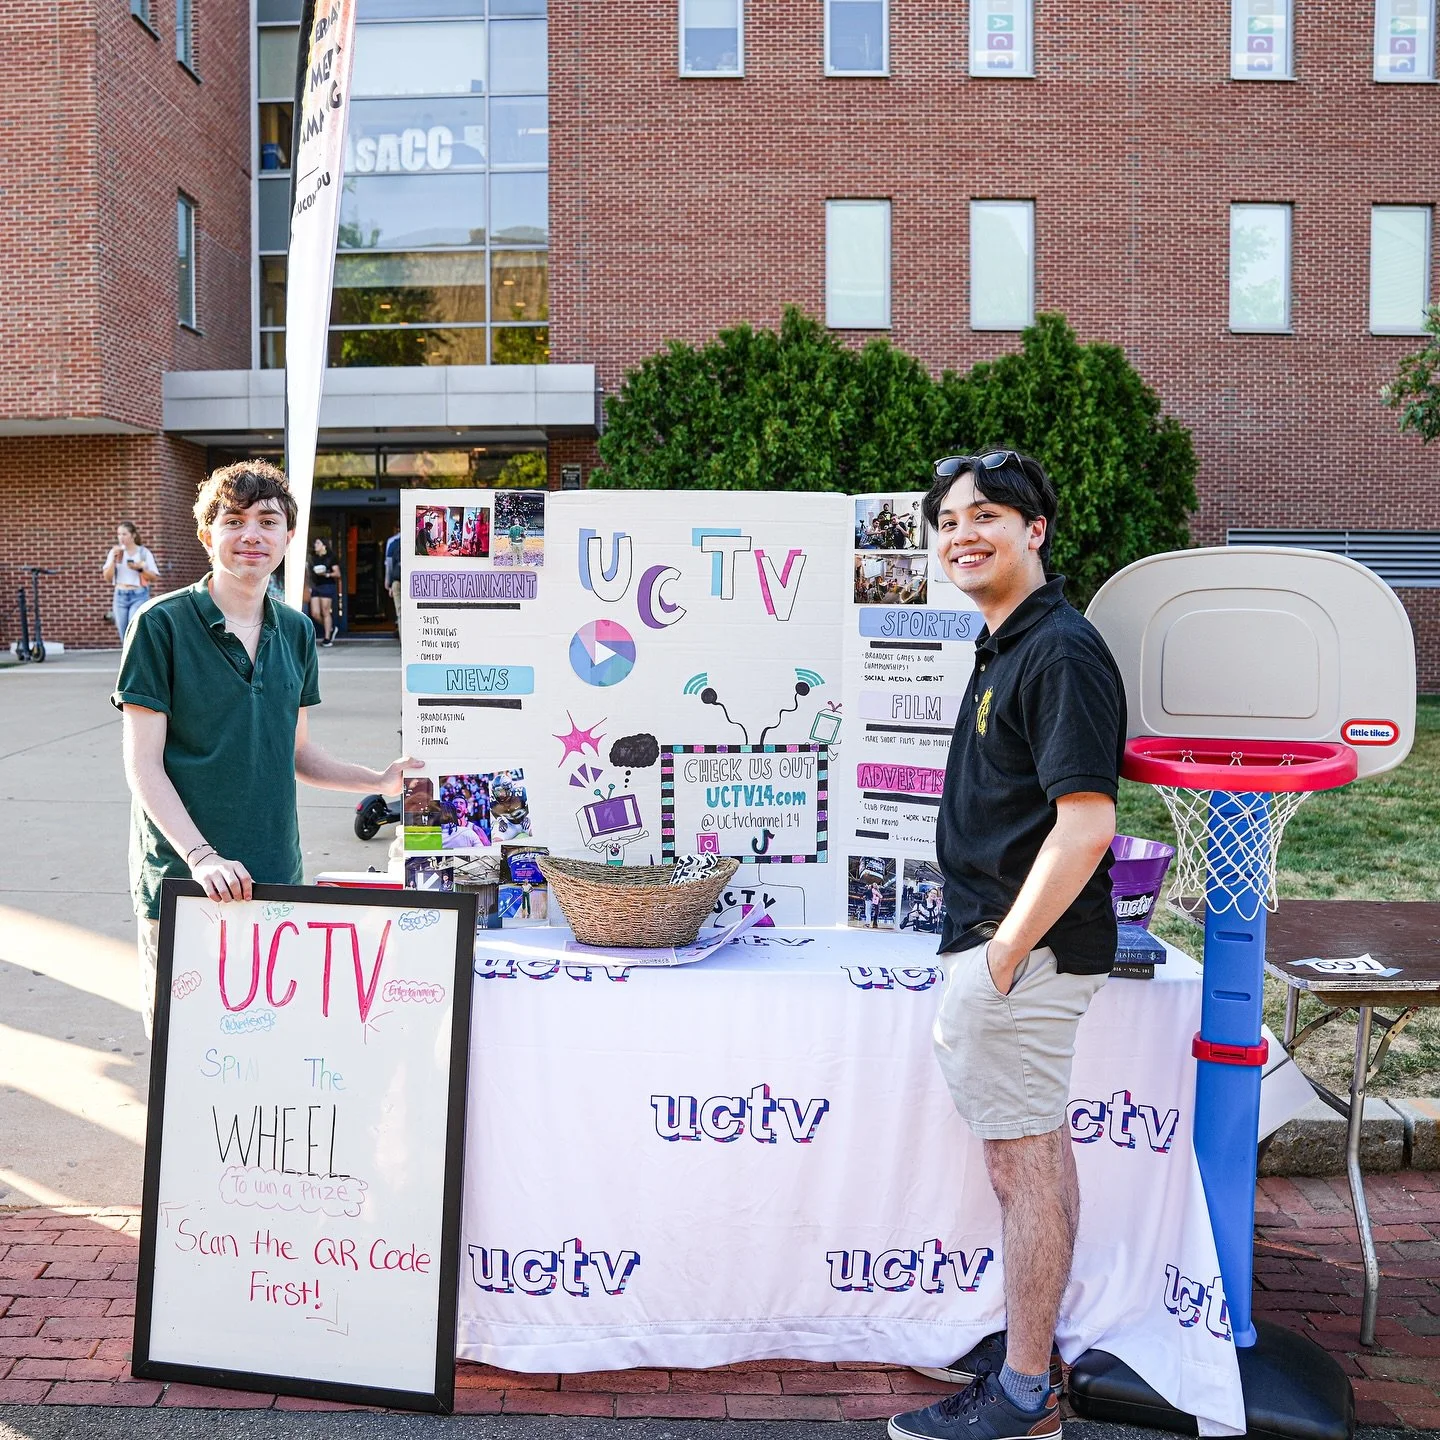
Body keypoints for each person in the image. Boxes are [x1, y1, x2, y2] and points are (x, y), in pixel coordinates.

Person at [888, 450, 1124, 1440]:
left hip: (1021, 954)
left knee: (1020, 1170)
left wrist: (1000, 958)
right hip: (1010, 947)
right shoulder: (1009, 645)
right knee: (1036, 1160)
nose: (961, 534)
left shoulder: (1059, 651)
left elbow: (1086, 825)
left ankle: (1026, 1396)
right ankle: (1035, 1350)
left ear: (1037, 530)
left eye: (986, 514)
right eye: (947, 520)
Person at [112, 460, 415, 1036]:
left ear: (288, 537)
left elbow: (296, 753)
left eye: (268, 521)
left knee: (263, 1048)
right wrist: (202, 858)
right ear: (208, 535)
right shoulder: (160, 624)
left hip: (275, 871)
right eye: (234, 520)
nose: (252, 534)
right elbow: (143, 764)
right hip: (184, 877)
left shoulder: (297, 631)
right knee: (184, 1051)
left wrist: (380, 780)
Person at [102, 522, 159, 641]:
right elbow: (107, 577)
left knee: (133, 630)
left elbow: (153, 577)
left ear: (133, 535)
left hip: (139, 595)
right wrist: (113, 560)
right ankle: (130, 659)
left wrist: (140, 569)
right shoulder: (115, 552)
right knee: (124, 635)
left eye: (124, 534)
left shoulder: (143, 552)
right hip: (120, 595)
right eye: (119, 534)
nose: (121, 537)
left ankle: (139, 658)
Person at [307, 536, 341, 646]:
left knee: (325, 611)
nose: (315, 545)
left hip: (327, 585)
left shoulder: (331, 557)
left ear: (324, 545)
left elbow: (337, 573)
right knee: (315, 613)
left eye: (317, 543)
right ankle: (330, 628)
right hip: (315, 585)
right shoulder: (313, 557)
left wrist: (326, 574)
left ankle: (327, 638)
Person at [384, 526, 402, 636]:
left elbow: (389, 564)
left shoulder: (393, 542)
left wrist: (389, 582)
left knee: (401, 613)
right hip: (415, 580)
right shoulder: (416, 538)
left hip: (398, 580)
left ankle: (403, 642)